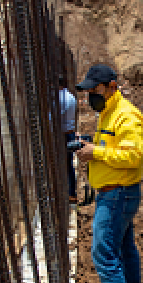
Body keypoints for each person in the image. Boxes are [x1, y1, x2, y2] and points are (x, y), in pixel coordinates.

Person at [74, 64, 143, 283]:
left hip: (118, 193)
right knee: (124, 249)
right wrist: (89, 144)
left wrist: (96, 152)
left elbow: (134, 156)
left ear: (112, 87)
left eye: (95, 90)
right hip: (114, 193)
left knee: (103, 252)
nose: (90, 96)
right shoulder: (108, 113)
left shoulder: (126, 115)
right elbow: (113, 147)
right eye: (88, 91)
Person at [59, 75, 78, 203]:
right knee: (69, 164)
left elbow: (55, 116)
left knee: (61, 164)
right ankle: (71, 193)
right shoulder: (71, 96)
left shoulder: (60, 98)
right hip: (70, 133)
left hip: (62, 135)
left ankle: (67, 192)